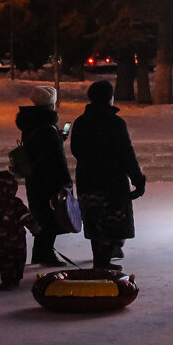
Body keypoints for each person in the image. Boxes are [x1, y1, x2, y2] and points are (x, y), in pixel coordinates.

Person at [70, 80, 146, 270]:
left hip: (88, 179)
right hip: (112, 182)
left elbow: (76, 150)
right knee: (113, 220)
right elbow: (126, 153)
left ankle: (101, 261)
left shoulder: (80, 122)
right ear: (109, 98)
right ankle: (103, 264)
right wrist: (137, 179)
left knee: (95, 221)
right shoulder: (115, 123)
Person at [17, 85, 73, 266]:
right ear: (52, 104)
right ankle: (46, 254)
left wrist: (59, 136)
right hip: (50, 180)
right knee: (51, 218)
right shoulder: (48, 128)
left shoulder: (31, 123)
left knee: (41, 215)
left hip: (34, 178)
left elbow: (40, 147)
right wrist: (66, 183)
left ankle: (39, 253)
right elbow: (57, 159)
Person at [0, 170, 40, 290]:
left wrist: (1, 228)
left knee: (4, 259)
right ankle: (16, 277)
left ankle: (7, 280)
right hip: (18, 239)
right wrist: (35, 228)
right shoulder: (16, 203)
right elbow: (26, 217)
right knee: (19, 257)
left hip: (2, 239)